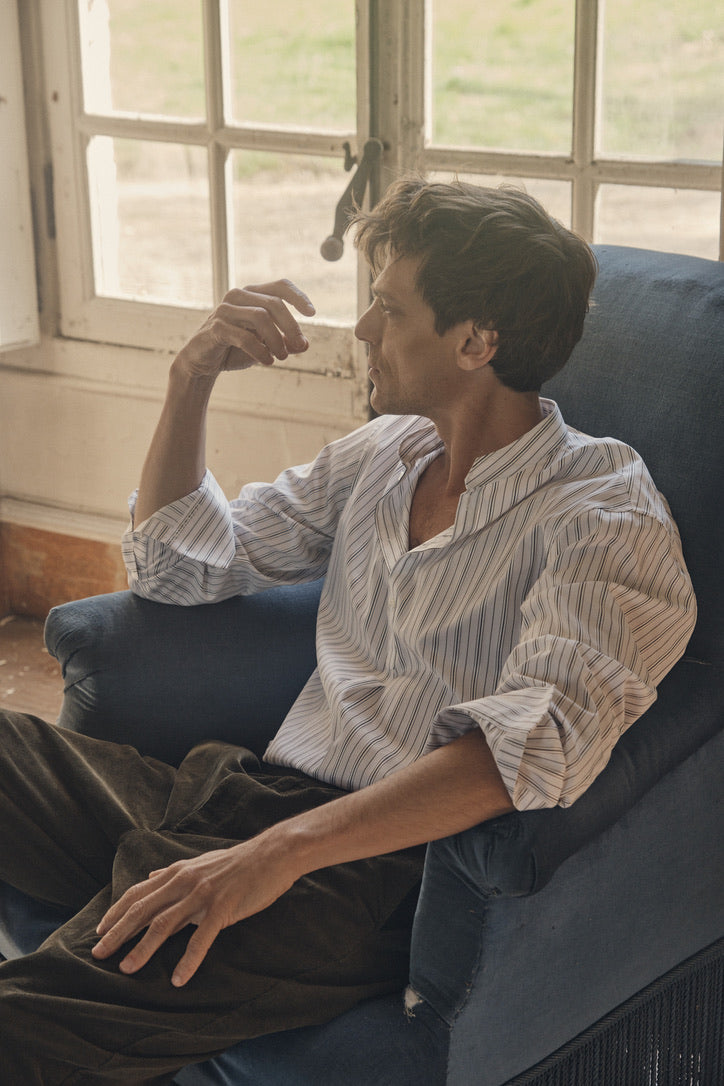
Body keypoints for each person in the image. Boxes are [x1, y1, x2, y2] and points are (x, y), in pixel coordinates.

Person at [0, 178, 696, 1083]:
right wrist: (191, 374)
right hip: (235, 795)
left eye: (387, 307)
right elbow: (181, 566)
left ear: (476, 342)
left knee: (30, 1027)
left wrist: (276, 857)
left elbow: (533, 749)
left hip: (362, 877)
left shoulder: (603, 514)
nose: (363, 331)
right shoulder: (387, 451)